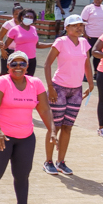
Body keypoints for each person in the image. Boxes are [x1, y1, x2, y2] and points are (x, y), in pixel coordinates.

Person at [0, 51, 56, 204]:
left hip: (26, 137)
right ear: (8, 66)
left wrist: (52, 130)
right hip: (1, 136)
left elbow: (44, 109)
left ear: (27, 66)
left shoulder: (35, 83)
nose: (18, 67)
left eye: (22, 64)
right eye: (14, 64)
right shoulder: (3, 81)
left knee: (22, 175)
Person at [42, 15, 94, 174]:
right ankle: (48, 161)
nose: (79, 28)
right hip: (59, 89)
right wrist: (50, 87)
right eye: (75, 26)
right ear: (67, 27)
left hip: (76, 90)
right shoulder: (60, 42)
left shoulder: (84, 43)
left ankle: (61, 162)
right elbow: (47, 64)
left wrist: (91, 84)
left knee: (68, 127)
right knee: (55, 126)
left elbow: (86, 64)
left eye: (81, 25)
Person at [0, 9, 51, 76]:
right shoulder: (15, 29)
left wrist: (51, 44)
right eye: (27, 16)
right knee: (17, 79)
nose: (29, 18)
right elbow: (5, 45)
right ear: (22, 17)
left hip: (32, 59)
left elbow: (37, 45)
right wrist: (0, 45)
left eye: (31, 17)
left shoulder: (33, 29)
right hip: (19, 59)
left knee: (29, 79)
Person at [82, 0, 103, 72]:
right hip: (90, 36)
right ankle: (84, 73)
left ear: (102, 0)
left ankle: (96, 72)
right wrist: (84, 34)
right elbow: (82, 22)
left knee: (98, 56)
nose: (98, 0)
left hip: (102, 37)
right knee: (87, 56)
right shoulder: (88, 8)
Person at [0, 4, 25, 75]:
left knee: (18, 73)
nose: (18, 16)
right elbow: (0, 38)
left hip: (20, 52)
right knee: (4, 72)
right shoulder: (8, 24)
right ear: (12, 14)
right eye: (16, 14)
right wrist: (2, 50)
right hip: (8, 52)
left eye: (20, 14)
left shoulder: (25, 25)